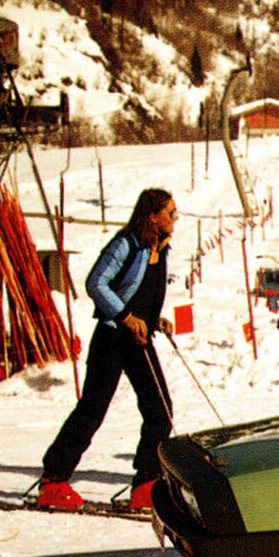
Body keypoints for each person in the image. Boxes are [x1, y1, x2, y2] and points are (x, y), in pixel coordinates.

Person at [39, 189, 179, 511]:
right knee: (92, 409)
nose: (174, 219)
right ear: (152, 216)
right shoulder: (127, 243)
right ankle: (53, 481)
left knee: (160, 410)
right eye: (170, 213)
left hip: (138, 339)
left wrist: (154, 319)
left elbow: (138, 292)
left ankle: (146, 484)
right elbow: (96, 283)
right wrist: (127, 317)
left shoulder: (161, 249)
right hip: (112, 337)